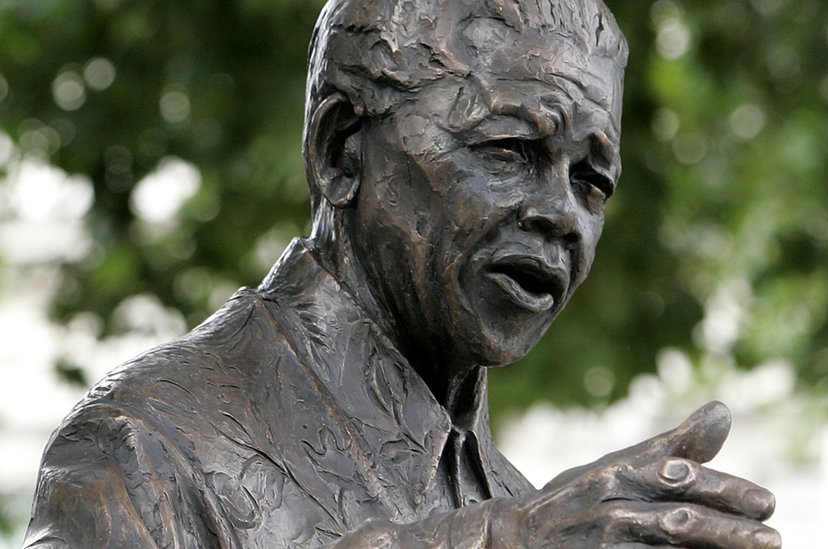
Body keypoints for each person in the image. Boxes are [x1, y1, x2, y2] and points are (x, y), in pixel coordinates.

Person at [24, 0, 782, 547]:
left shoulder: (537, 512)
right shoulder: (145, 448)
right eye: (508, 150)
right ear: (340, 150)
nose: (563, 214)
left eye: (591, 180)